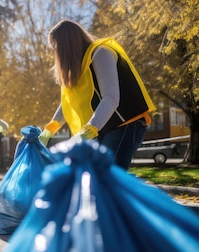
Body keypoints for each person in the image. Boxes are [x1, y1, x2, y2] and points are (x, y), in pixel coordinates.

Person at [39, 20, 156, 169]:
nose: (55, 53)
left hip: (125, 125)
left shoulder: (101, 53)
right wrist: (49, 130)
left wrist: (90, 129)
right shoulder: (79, 66)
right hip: (102, 128)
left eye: (55, 48)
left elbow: (111, 97)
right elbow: (68, 102)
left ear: (65, 46)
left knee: (106, 177)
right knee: (94, 178)